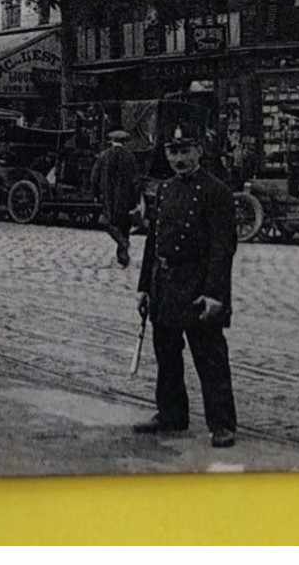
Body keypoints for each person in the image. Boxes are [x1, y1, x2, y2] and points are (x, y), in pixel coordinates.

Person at [134, 124, 239, 449]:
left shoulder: (216, 191)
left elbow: (224, 247)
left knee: (210, 357)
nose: (178, 158)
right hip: (165, 284)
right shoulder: (163, 190)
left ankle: (222, 424)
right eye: (172, 152)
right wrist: (144, 287)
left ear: (199, 152)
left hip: (198, 286)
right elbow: (153, 241)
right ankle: (171, 413)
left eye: (184, 151)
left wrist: (214, 293)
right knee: (166, 354)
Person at [90, 128, 143, 267]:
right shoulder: (130, 157)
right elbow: (136, 180)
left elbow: (94, 176)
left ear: (112, 141)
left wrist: (95, 193)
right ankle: (122, 254)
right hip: (126, 197)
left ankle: (122, 244)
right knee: (124, 225)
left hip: (108, 196)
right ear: (124, 142)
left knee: (109, 223)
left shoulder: (104, 155)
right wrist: (136, 200)